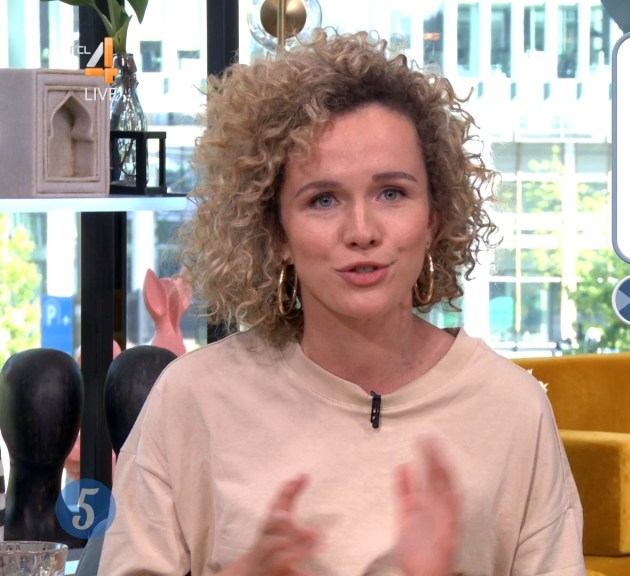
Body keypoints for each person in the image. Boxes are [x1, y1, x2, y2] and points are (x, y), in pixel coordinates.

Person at [98, 30, 585, 576]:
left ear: (434, 218)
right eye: (323, 199)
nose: (361, 230)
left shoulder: (512, 409)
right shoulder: (192, 400)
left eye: (392, 193)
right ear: (276, 232)